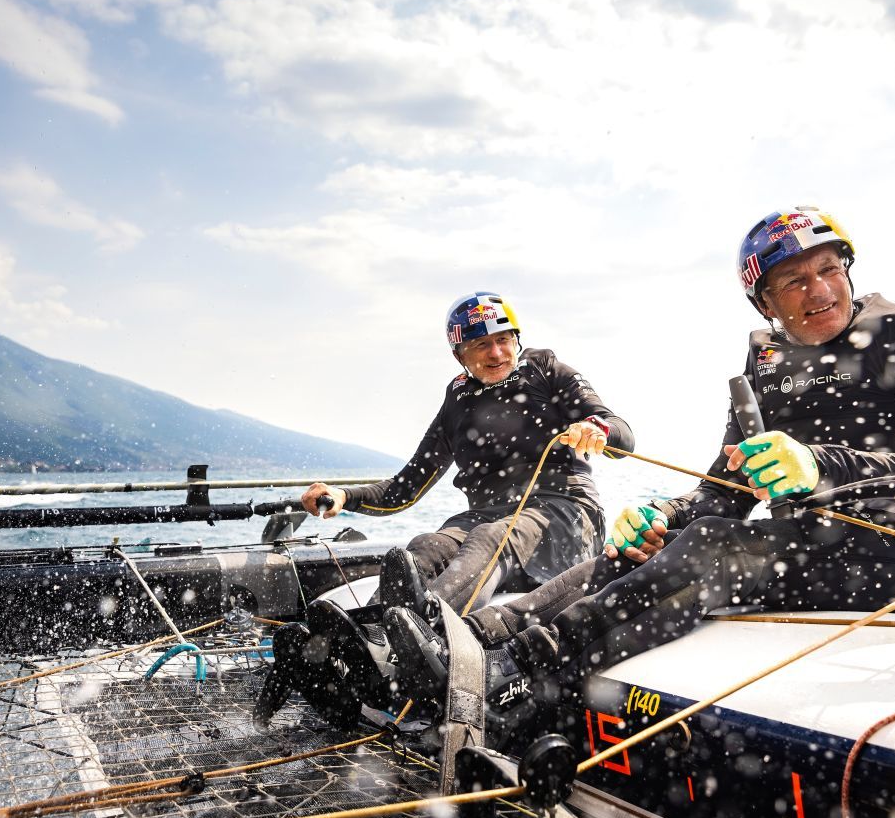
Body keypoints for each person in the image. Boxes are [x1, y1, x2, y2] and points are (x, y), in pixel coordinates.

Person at [384, 207, 895, 743]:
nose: (819, 290)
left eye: (830, 270)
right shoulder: (766, 368)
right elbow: (723, 491)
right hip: (805, 550)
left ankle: (518, 670)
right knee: (641, 550)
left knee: (710, 548)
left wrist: (820, 464)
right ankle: (474, 644)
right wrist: (660, 515)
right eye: (794, 281)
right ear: (765, 302)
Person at [256, 290, 634, 726]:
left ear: (516, 338)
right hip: (488, 513)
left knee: (491, 538)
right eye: (480, 345)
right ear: (459, 355)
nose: (496, 352)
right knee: (425, 546)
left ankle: (418, 644)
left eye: (503, 339)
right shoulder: (458, 399)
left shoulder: (546, 370)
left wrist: (596, 428)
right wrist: (346, 497)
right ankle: (371, 638)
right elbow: (407, 486)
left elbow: (623, 434)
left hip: (564, 513)